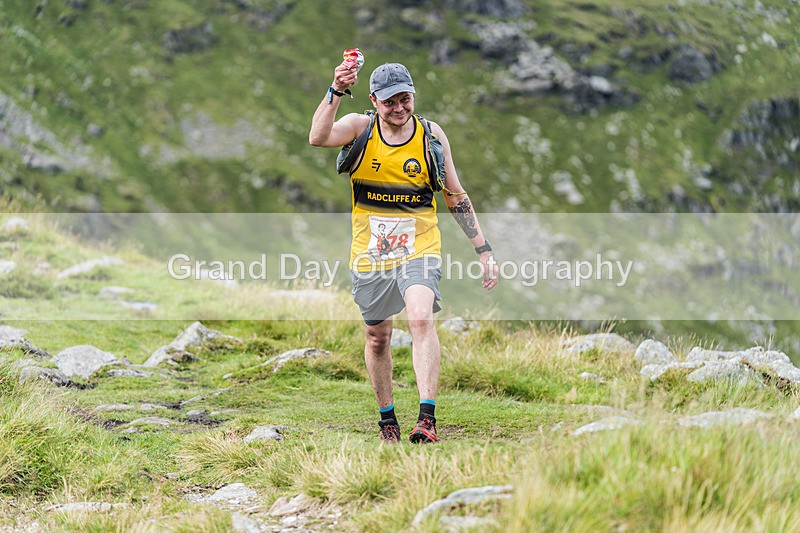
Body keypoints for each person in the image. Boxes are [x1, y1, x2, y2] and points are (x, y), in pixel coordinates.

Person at [309, 59, 498, 444]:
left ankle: (426, 420)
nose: (399, 108)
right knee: (377, 336)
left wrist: (483, 249)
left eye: (406, 99)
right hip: (370, 252)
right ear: (374, 100)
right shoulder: (360, 129)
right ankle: (387, 420)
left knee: (420, 319)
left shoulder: (431, 136)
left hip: (420, 247)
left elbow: (455, 195)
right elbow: (317, 136)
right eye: (390, 101)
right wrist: (335, 89)